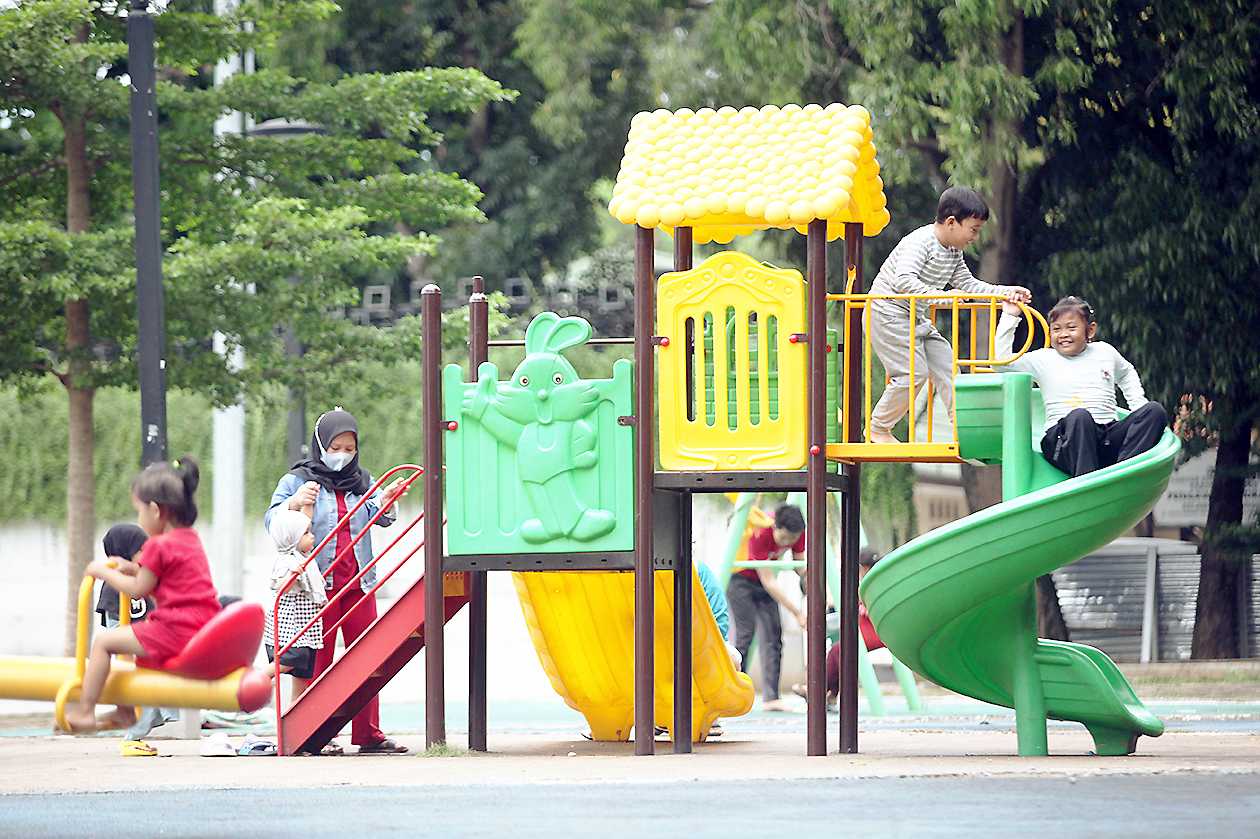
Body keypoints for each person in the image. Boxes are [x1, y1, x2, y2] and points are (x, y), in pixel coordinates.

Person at [264, 408, 410, 755]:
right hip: (319, 585)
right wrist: (295, 503)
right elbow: (272, 521)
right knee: (319, 658)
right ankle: (318, 732)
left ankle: (368, 734)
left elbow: (383, 518)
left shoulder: (362, 480)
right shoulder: (297, 480)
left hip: (359, 582)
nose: (342, 455)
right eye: (336, 447)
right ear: (320, 445)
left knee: (369, 656)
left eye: (349, 448)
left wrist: (388, 500)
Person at [64, 458, 219, 733]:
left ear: (156, 510)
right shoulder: (189, 537)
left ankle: (85, 710)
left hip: (176, 630)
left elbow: (138, 589)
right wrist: (132, 567)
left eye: (139, 511)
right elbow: (160, 573)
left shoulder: (158, 545)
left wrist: (102, 571)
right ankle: (126, 713)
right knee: (130, 650)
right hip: (201, 625)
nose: (139, 519)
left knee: (103, 643)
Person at [867, 186, 1031, 443]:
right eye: (973, 229)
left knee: (948, 368)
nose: (975, 237)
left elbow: (967, 283)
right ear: (952, 222)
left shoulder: (953, 251)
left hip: (917, 318)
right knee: (913, 374)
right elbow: (903, 280)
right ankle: (878, 427)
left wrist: (1003, 293)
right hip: (888, 311)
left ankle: (961, 430)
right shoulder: (921, 242)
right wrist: (943, 296)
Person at [996, 296, 1167, 477]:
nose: (1063, 334)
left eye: (1071, 328)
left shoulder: (1105, 352)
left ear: (1090, 330)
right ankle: (1087, 482)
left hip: (1106, 438)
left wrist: (1137, 404)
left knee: (1154, 411)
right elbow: (1001, 363)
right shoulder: (1043, 358)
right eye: (1056, 329)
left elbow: (1126, 373)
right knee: (1080, 416)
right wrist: (1010, 316)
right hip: (1064, 442)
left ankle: (1123, 474)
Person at [94, 524, 180, 753]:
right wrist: (128, 655)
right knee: (147, 697)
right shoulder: (115, 585)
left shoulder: (139, 578)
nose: (146, 554)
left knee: (160, 691)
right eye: (140, 550)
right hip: (134, 652)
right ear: (124, 551)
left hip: (148, 648)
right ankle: (132, 738)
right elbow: (114, 626)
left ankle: (138, 733)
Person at [726, 504, 807, 711]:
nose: (787, 543)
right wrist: (797, 612)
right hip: (740, 579)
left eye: (792, 540)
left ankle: (771, 697)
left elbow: (800, 566)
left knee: (774, 635)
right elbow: (769, 581)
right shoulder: (761, 530)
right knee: (745, 635)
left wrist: (816, 587)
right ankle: (731, 694)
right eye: (784, 539)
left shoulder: (797, 532)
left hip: (763, 581)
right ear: (775, 527)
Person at [264, 508, 326, 702]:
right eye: (306, 533)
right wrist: (293, 575)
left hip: (305, 626)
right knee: (294, 657)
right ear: (291, 538)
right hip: (289, 626)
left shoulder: (303, 557)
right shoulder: (287, 561)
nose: (312, 536)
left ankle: (296, 706)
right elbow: (279, 586)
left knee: (303, 670)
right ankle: (260, 676)